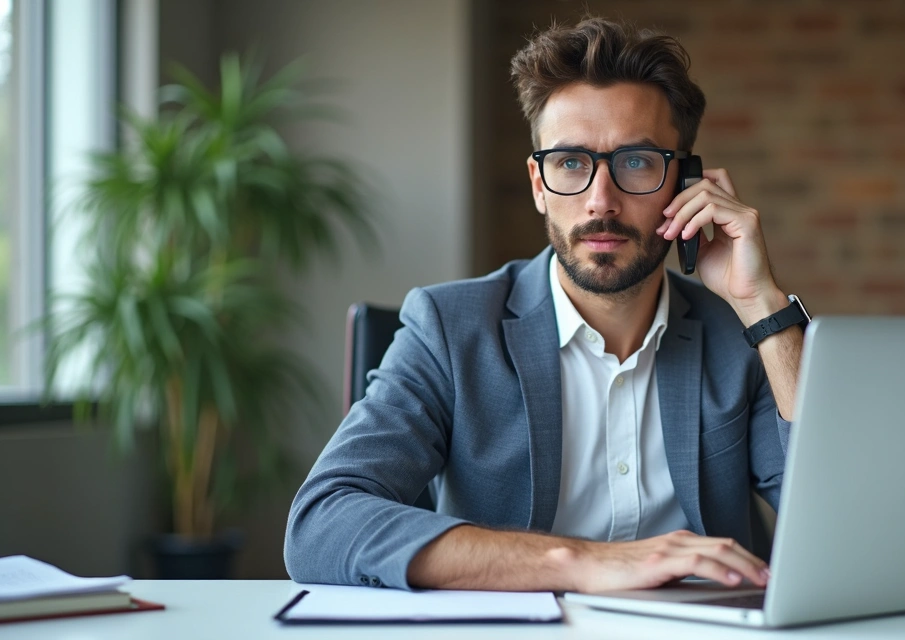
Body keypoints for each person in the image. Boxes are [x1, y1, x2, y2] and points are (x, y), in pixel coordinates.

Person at [284, 16, 807, 593]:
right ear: (539, 184)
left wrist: (762, 306)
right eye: (570, 164)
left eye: (636, 161)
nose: (599, 202)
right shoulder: (448, 330)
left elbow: (835, 520)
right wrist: (579, 561)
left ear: (685, 182)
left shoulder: (740, 335)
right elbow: (321, 525)